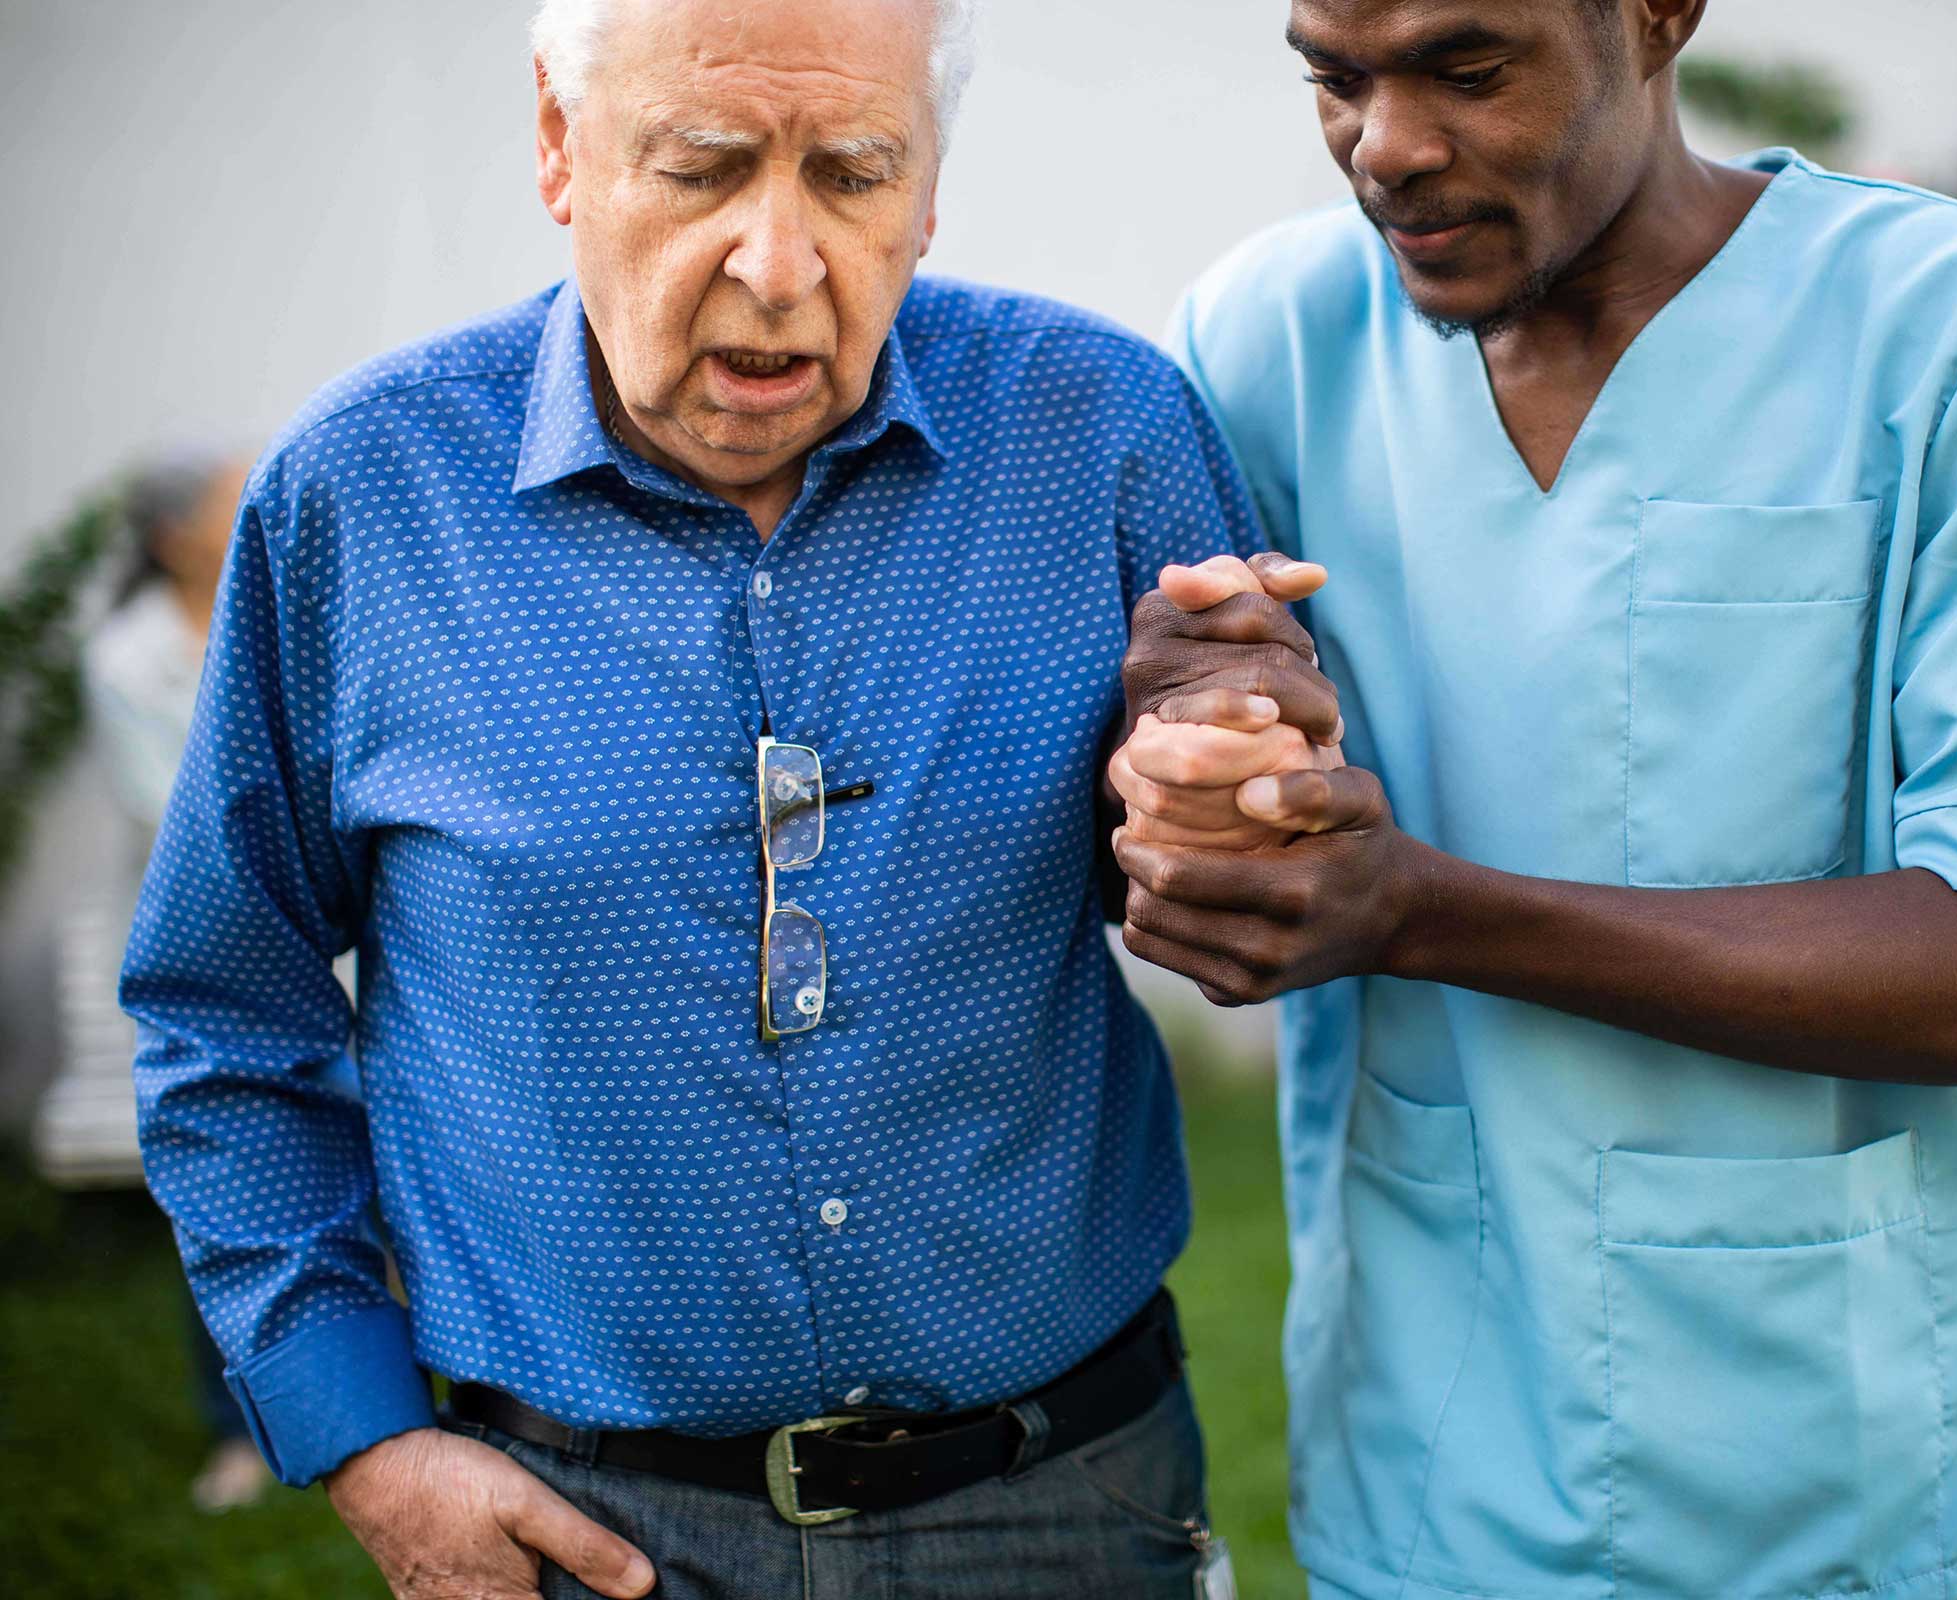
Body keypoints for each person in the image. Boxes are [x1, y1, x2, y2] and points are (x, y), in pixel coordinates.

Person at [123, 1, 1270, 1594]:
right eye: (705, 168)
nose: (781, 262)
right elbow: (223, 1012)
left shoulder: (1107, 433)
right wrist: (368, 1442)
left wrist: (1242, 828)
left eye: (856, 175)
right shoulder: (357, 504)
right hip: (586, 1535)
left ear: (931, 184)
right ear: (559, 146)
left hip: (1068, 1502)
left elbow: (1250, 865)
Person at [1110, 2, 1957, 1598]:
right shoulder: (1268, 341)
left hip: (1861, 1474)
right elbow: (1185, 794)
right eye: (1335, 79)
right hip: (1433, 1466)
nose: (1387, 146)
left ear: (1657, 15)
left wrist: (1419, 909)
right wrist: (1195, 740)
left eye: (1468, 70)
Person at [43, 449, 286, 1512]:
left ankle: (374, 1413)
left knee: (365, 1180)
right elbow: (175, 807)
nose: (259, 504)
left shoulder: (279, 603)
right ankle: (240, 1432)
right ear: (175, 533)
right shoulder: (129, 655)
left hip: (329, 943)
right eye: (234, 497)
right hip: (216, 961)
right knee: (232, 1187)